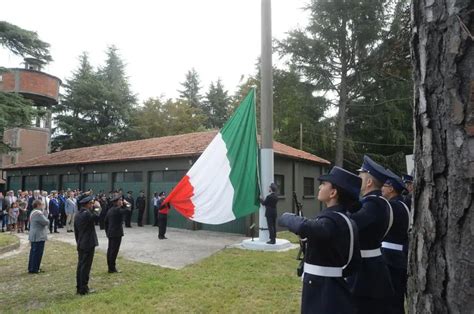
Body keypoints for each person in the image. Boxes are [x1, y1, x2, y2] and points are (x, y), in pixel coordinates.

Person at [278, 166, 362, 314]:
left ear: (333, 193)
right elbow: (354, 263)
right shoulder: (346, 220)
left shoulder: (331, 221)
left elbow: (305, 226)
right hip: (333, 286)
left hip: (322, 290)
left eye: (324, 184)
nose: (319, 186)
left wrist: (286, 216)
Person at [347, 155, 394, 314]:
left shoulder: (373, 203)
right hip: (368, 266)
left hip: (367, 270)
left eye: (361, 175)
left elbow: (352, 224)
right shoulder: (375, 201)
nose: (358, 178)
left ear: (369, 182)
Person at [382, 169, 411, 314]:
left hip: (390, 257)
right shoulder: (402, 204)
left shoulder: (391, 206)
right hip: (399, 255)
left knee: (391, 301)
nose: (381, 188)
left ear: (391, 189)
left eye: (384, 186)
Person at [74, 194, 100, 295]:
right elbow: (97, 217)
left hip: (81, 242)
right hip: (88, 243)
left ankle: (79, 287)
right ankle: (84, 289)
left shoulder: (78, 214)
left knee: (81, 266)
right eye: (91, 203)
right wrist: (97, 207)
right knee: (85, 267)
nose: (92, 205)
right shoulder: (87, 214)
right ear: (88, 204)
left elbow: (76, 231)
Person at [104, 195, 129, 273]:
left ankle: (110, 267)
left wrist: (107, 232)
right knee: (114, 251)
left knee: (110, 250)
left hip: (111, 233)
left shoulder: (110, 210)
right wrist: (127, 203)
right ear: (116, 202)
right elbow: (128, 210)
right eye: (120, 200)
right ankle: (112, 268)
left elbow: (105, 222)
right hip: (116, 234)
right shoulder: (117, 209)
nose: (122, 201)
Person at [28, 199, 49, 274]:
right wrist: (46, 215)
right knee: (37, 252)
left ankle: (32, 267)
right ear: (38, 205)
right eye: (42, 205)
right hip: (38, 235)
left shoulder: (33, 211)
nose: (43, 206)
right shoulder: (38, 213)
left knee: (33, 252)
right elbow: (46, 222)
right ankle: (35, 268)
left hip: (34, 234)